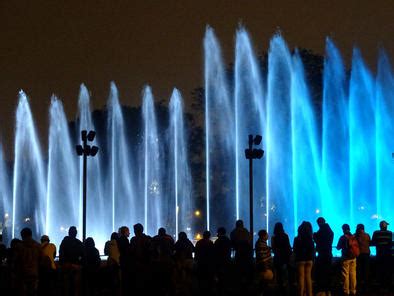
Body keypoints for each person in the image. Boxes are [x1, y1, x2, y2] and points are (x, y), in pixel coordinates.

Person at [14, 227, 42, 296]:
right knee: (33, 292)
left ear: (23, 236)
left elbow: (16, 260)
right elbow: (41, 260)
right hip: (34, 274)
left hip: (23, 274)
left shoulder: (19, 246)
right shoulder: (38, 246)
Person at [59, 226, 84, 296]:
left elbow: (61, 254)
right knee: (75, 288)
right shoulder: (79, 243)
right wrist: (79, 264)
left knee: (66, 288)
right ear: (76, 233)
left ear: (68, 233)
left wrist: (64, 264)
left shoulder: (64, 242)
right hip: (76, 268)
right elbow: (83, 255)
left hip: (67, 268)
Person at [150, 227, 175, 294]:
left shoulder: (155, 238)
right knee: (167, 277)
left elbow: (151, 249)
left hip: (158, 261)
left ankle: (159, 290)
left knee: (159, 278)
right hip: (167, 260)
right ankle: (168, 290)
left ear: (158, 232)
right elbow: (173, 248)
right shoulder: (169, 238)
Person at [313, 217, 334, 294]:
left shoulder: (321, 231)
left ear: (319, 223)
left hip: (322, 254)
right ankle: (328, 289)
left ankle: (322, 288)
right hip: (328, 253)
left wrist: (314, 236)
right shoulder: (330, 231)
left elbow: (318, 241)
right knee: (328, 271)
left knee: (322, 271)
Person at [293, 221, 314, 296]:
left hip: (300, 259)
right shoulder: (310, 239)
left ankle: (300, 293)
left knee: (301, 278)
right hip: (309, 259)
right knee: (308, 277)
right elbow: (312, 250)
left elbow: (294, 250)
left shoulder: (297, 239)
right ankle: (310, 293)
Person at [371, 220, 392, 292]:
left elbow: (373, 242)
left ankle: (380, 286)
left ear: (380, 226)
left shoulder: (376, 233)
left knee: (380, 270)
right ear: (385, 226)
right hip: (388, 255)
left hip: (379, 254)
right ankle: (387, 286)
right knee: (387, 270)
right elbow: (390, 243)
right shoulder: (390, 233)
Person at [336, 224, 357, 296]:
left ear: (343, 229)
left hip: (346, 258)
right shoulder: (354, 236)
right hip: (353, 257)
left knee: (345, 275)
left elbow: (338, 247)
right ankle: (353, 291)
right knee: (353, 274)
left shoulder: (343, 237)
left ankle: (346, 291)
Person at [271, 222, 292, 295]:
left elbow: (273, 248)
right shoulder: (285, 236)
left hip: (277, 258)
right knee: (285, 275)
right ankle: (286, 290)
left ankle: (280, 290)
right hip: (285, 258)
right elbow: (288, 247)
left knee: (279, 275)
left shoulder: (274, 237)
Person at [214, 227, 232, 295]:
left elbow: (215, 251)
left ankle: (220, 290)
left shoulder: (218, 241)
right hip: (227, 261)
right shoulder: (228, 240)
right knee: (226, 277)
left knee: (220, 278)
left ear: (219, 233)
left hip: (220, 262)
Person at [255, 229, 273, 294]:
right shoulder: (261, 243)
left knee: (263, 281)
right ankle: (261, 293)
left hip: (263, 265)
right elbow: (262, 256)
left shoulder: (261, 243)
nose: (268, 235)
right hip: (264, 266)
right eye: (266, 234)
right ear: (263, 236)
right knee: (264, 281)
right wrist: (266, 266)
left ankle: (261, 292)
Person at [355, 224, 370, 292]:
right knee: (366, 270)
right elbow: (369, 243)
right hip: (366, 254)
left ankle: (359, 286)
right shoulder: (367, 235)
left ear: (358, 228)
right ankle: (366, 286)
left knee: (359, 270)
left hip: (359, 255)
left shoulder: (355, 235)